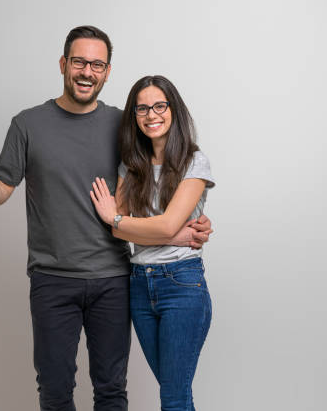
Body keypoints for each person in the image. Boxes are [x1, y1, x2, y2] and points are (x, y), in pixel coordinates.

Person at [0, 26, 212, 411]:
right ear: (64, 64)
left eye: (97, 64)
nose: (87, 72)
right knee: (54, 390)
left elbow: (160, 181)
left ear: (107, 72)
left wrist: (191, 224)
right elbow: (3, 188)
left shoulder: (125, 126)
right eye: (79, 62)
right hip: (52, 279)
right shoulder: (27, 124)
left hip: (114, 279)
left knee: (112, 390)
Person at [90, 75, 214, 411]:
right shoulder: (131, 165)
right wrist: (167, 232)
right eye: (142, 108)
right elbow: (121, 234)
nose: (151, 114)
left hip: (181, 284)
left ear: (173, 109)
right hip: (140, 287)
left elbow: (153, 223)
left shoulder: (193, 160)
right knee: (176, 393)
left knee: (173, 397)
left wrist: (116, 218)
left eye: (159, 105)